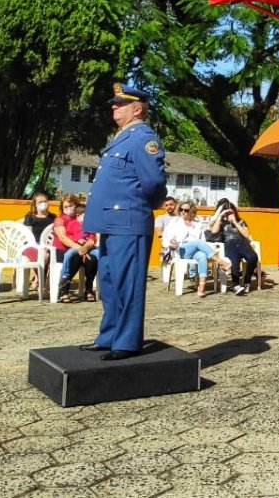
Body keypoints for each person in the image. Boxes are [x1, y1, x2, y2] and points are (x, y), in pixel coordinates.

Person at [80, 84, 168, 361]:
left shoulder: (143, 137)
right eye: (114, 102)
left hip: (129, 220)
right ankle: (109, 336)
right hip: (111, 223)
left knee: (127, 283)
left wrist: (145, 205)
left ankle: (127, 342)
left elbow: (154, 182)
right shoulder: (121, 137)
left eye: (120, 103)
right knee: (108, 282)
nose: (114, 106)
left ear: (137, 109)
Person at [163, 200, 231, 297]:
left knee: (202, 255)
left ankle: (201, 287)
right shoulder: (175, 221)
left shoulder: (197, 223)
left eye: (186, 210)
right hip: (180, 250)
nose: (183, 212)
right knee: (197, 242)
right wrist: (171, 243)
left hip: (195, 250)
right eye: (181, 209)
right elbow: (167, 237)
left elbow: (202, 239)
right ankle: (220, 262)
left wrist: (202, 247)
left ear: (191, 211)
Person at [208, 198, 259, 295]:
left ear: (234, 211)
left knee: (253, 257)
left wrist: (235, 222)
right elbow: (214, 231)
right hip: (229, 244)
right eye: (226, 213)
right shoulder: (221, 223)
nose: (228, 214)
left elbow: (246, 235)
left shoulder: (241, 221)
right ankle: (236, 285)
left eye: (230, 212)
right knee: (234, 261)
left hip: (242, 243)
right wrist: (220, 216)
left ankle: (246, 281)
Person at [52, 194, 98, 303]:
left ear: (76, 205)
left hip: (83, 249)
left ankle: (88, 289)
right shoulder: (60, 220)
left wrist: (88, 245)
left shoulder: (83, 217)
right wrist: (81, 249)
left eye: (71, 206)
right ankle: (64, 290)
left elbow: (92, 234)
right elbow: (63, 238)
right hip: (63, 250)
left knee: (92, 260)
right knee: (76, 258)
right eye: (65, 207)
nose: (69, 209)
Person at [21, 192, 56, 286]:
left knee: (49, 254)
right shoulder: (30, 217)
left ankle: (38, 279)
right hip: (31, 245)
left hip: (48, 245)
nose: (43, 204)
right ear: (35, 204)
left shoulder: (53, 217)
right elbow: (29, 236)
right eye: (40, 202)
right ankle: (40, 279)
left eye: (45, 201)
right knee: (44, 256)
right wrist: (39, 247)